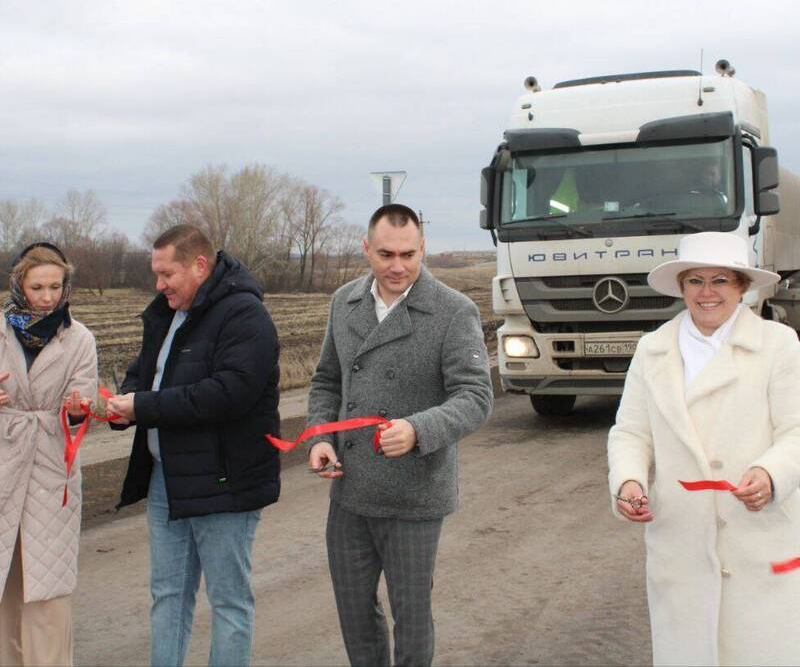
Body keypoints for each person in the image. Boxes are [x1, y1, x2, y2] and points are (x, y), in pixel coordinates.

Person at [307, 204, 493, 667]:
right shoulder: (344, 302)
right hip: (350, 493)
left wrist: (418, 429)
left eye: (408, 254)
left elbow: (475, 396)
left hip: (414, 494)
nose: (397, 265)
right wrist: (321, 438)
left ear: (422, 249)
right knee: (354, 613)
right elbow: (326, 382)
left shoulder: (453, 311)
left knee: (411, 619)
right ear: (366, 249)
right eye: (386, 253)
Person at [607, 231, 800, 666]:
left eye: (720, 281)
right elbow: (630, 432)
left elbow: (796, 430)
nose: (707, 293)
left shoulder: (778, 345)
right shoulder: (652, 349)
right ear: (681, 286)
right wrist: (629, 481)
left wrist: (771, 474)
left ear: (742, 286)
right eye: (695, 280)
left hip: (758, 542)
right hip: (682, 545)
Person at [106, 225, 280, 667]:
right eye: (156, 274)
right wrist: (120, 403)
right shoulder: (170, 311)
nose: (159, 284)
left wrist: (142, 407)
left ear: (199, 266)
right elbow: (145, 371)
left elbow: (228, 393)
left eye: (167, 274)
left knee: (228, 603)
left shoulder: (245, 315)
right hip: (168, 481)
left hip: (226, 482)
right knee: (167, 598)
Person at [0, 243, 98, 667]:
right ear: (19, 285)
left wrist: (78, 410)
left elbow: (86, 399)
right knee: (5, 585)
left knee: (47, 589)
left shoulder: (79, 338)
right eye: (37, 286)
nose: (46, 296)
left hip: (50, 470)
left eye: (55, 286)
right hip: (4, 462)